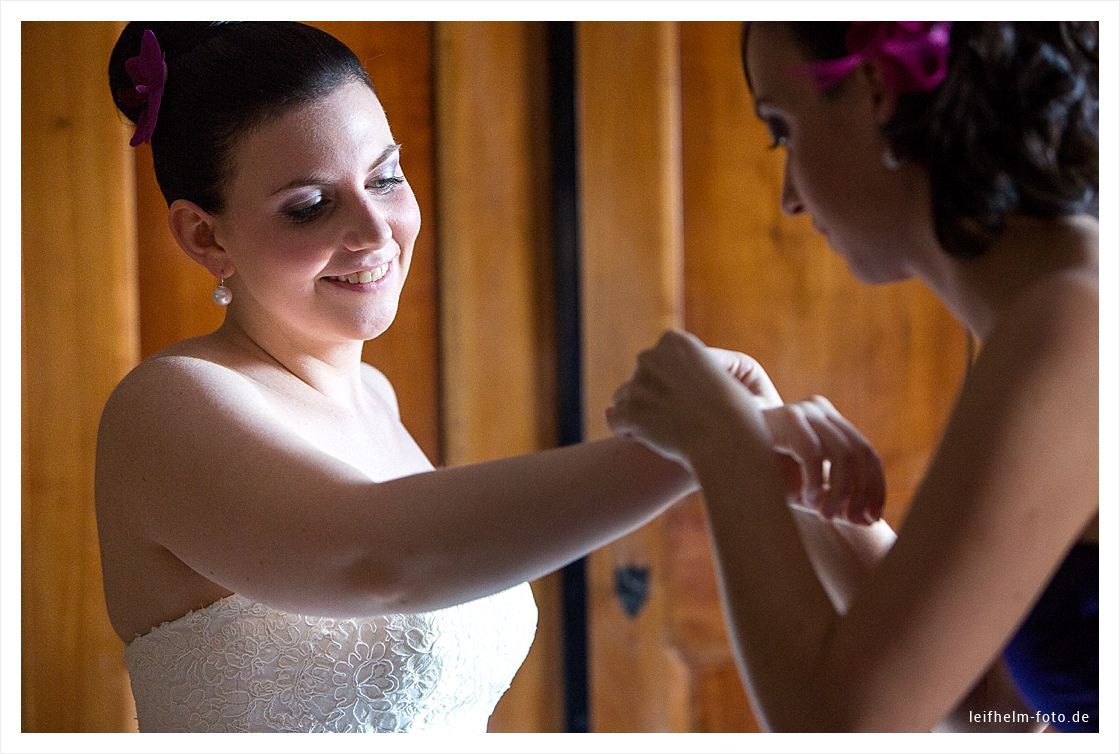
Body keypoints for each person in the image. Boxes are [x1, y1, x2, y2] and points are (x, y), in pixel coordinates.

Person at [98, 21, 891, 733]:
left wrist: (750, 439)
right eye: (309, 206)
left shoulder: (376, 403)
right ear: (205, 235)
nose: (376, 231)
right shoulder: (167, 405)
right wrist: (704, 441)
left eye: (385, 177)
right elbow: (379, 559)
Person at [607, 21, 1098, 732]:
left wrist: (723, 445)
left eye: (782, 129)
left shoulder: (1074, 323)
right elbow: (999, 710)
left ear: (876, 91)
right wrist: (791, 483)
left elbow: (839, 729)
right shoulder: (1060, 310)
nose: (789, 197)